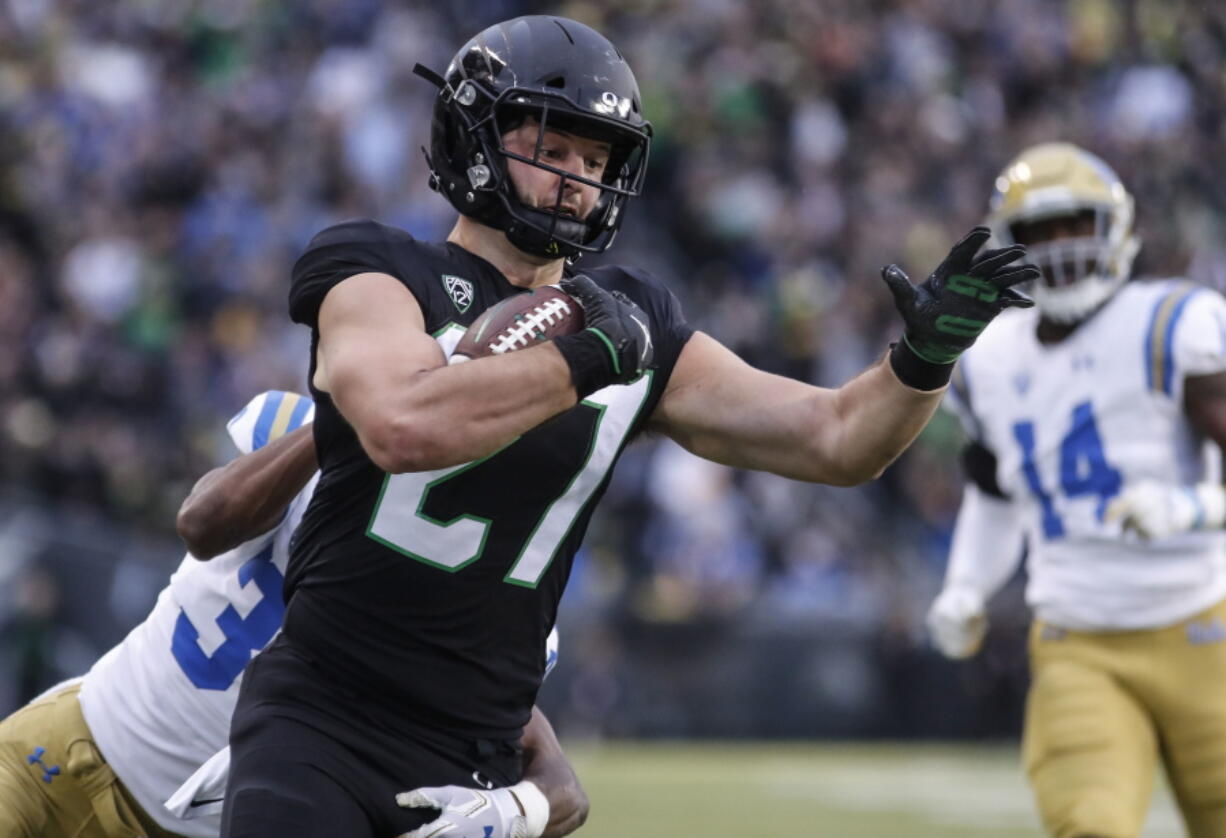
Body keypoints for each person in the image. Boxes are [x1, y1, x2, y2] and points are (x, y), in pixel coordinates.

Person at [220, 15, 1037, 838]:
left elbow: (835, 439)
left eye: (597, 159)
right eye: (551, 145)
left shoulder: (632, 319)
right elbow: (400, 427)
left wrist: (923, 361)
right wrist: (582, 358)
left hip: (482, 762)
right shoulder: (377, 269)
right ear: (473, 135)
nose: (577, 178)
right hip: (320, 720)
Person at [0, 390, 585, 838]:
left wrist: (516, 808)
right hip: (68, 748)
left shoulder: (501, 600)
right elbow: (201, 522)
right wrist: (339, 424)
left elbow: (557, 782)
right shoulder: (308, 438)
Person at [927, 141, 1226, 838]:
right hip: (1077, 638)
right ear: (1010, 244)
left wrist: (1192, 506)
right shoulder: (989, 356)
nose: (1060, 247)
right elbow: (997, 492)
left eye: (1076, 226)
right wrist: (966, 584)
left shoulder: (1172, 323)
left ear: (1114, 229)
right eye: (1040, 231)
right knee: (1087, 824)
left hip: (1204, 625)